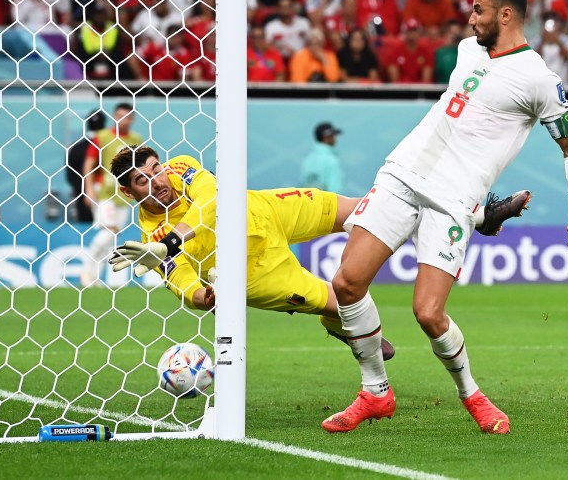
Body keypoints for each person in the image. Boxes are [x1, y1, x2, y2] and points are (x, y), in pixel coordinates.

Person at [322, 0, 568, 435]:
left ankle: (473, 394)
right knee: (347, 284)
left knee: (428, 312)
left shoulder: (540, 80)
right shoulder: (469, 50)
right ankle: (375, 392)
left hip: (452, 200)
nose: (470, 18)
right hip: (403, 173)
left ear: (506, 14)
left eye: (479, 10)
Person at [106, 146, 529, 358]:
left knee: (375, 211)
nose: (157, 180)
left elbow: (212, 198)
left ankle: (480, 216)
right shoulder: (149, 238)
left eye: (155, 169)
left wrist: (173, 240)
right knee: (340, 305)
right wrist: (206, 297)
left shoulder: (180, 169)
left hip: (267, 210)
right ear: (127, 193)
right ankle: (349, 334)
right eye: (142, 181)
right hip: (255, 272)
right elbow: (181, 283)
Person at [80, 102, 142, 287]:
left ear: (132, 119)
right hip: (104, 192)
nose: (123, 120)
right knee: (110, 230)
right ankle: (87, 270)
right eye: (120, 115)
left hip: (125, 194)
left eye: (127, 116)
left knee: (112, 236)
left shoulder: (136, 139)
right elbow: (89, 164)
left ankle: (93, 279)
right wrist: (89, 189)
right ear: (115, 117)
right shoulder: (103, 137)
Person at [66, 110, 106, 224]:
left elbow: (70, 175)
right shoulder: (108, 146)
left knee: (85, 233)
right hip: (106, 197)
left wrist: (82, 191)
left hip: (83, 198)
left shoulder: (76, 147)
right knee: (107, 230)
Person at [301, 122, 345, 194]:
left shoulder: (307, 160)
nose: (335, 138)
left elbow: (303, 186)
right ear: (327, 137)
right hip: (328, 203)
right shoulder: (331, 160)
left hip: (310, 202)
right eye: (333, 135)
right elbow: (335, 190)